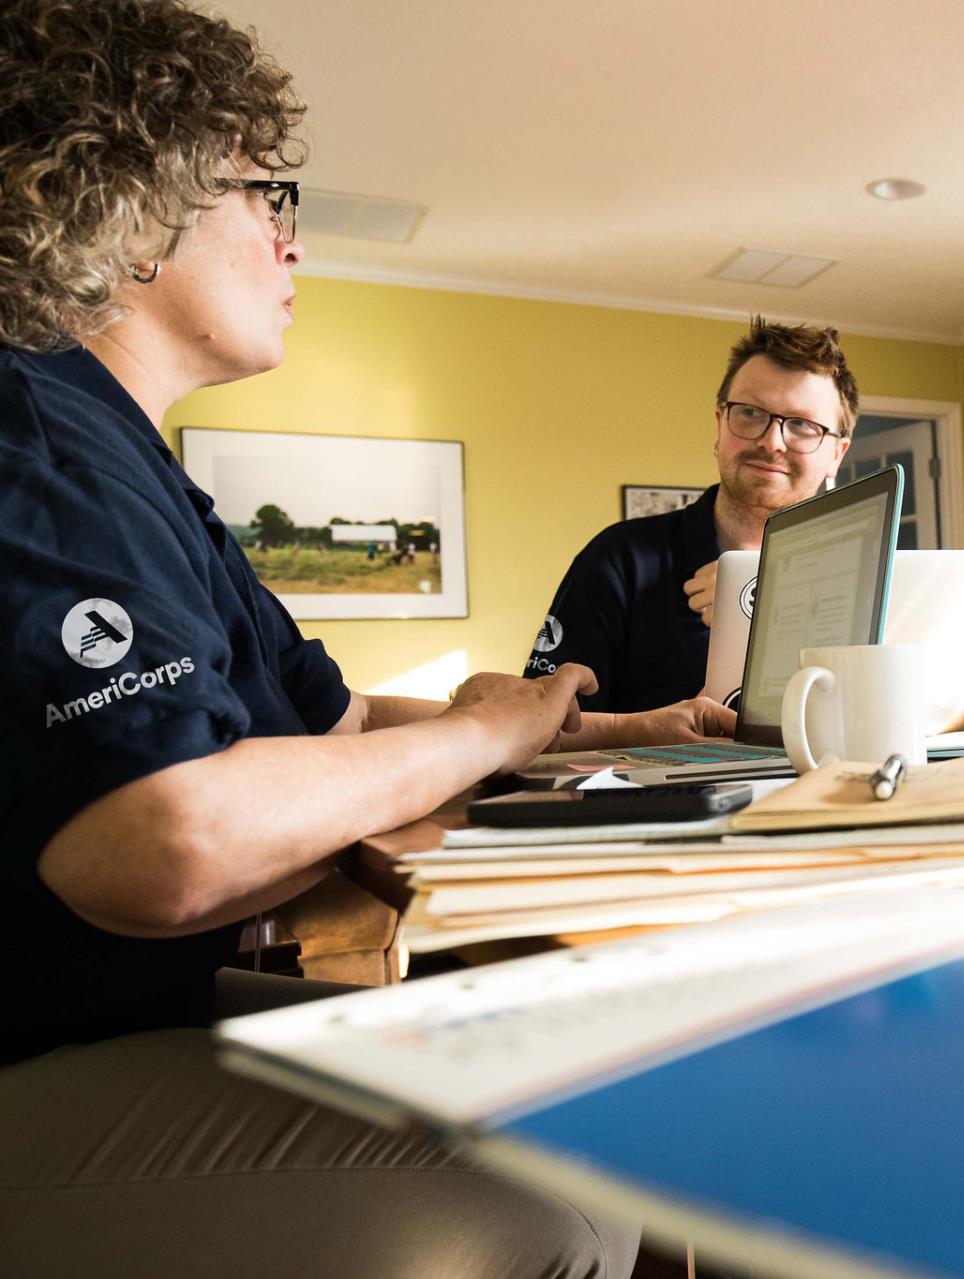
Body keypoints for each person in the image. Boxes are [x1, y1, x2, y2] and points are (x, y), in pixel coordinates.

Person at [0, 1, 728, 1271]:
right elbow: (166, 838)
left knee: (606, 1052)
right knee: (558, 1198)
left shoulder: (144, 473)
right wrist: (483, 732)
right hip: (39, 1052)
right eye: (262, 197)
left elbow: (336, 724)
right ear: (131, 204)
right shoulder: (34, 425)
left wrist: (576, 727)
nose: (291, 241)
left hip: (117, 1016)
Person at [527, 317, 857, 711]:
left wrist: (776, 615)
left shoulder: (861, 577)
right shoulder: (620, 560)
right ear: (720, 426)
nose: (772, 442)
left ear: (837, 454)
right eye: (751, 413)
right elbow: (543, 728)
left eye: (802, 424)